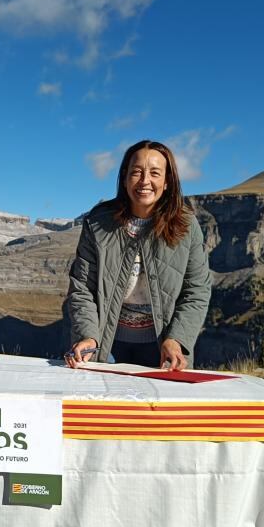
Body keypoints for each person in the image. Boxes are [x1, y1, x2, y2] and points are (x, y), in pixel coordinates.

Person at [65, 140, 211, 369]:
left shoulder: (187, 226)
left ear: (167, 182)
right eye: (136, 172)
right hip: (106, 342)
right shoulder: (98, 223)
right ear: (124, 178)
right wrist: (88, 336)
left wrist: (176, 340)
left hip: (163, 345)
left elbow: (197, 290)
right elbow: (82, 288)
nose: (145, 181)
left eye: (154, 173)